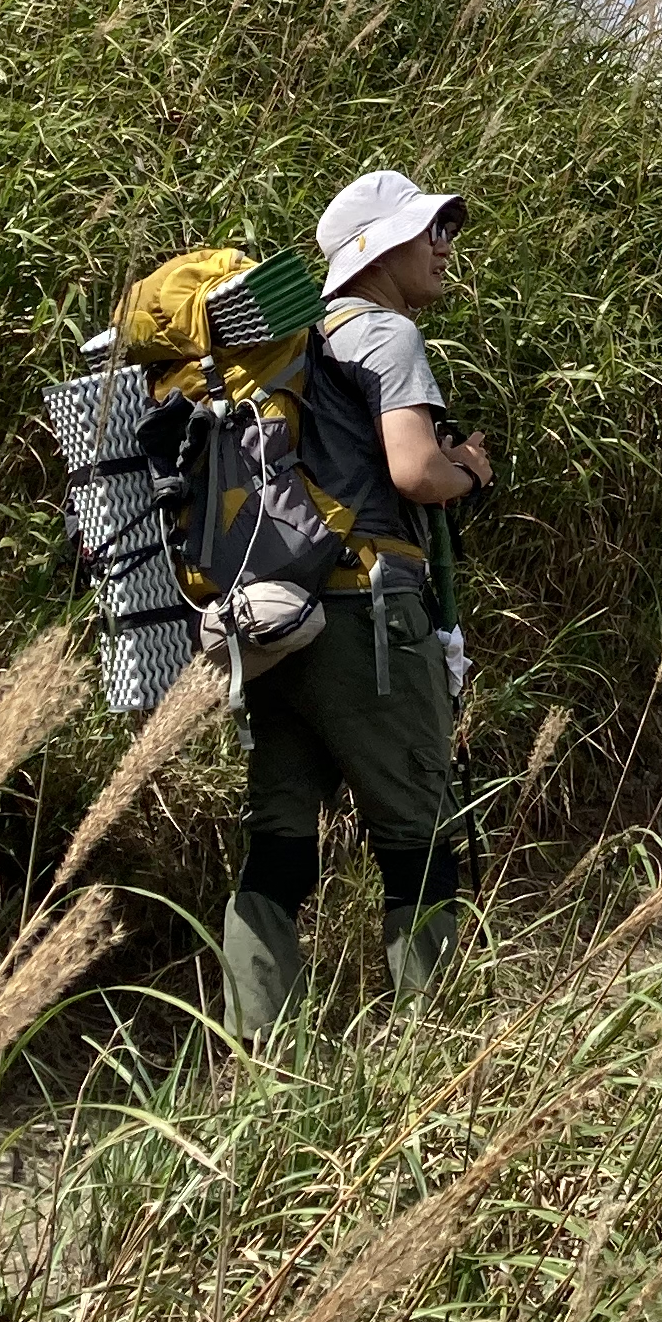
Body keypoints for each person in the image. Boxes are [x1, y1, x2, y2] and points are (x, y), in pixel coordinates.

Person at [216, 166, 495, 1037]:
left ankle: (263, 1057)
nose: (446, 247)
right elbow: (414, 469)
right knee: (418, 843)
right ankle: (433, 1064)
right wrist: (470, 473)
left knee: (280, 847)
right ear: (378, 250)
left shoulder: (298, 345)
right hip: (370, 623)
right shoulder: (387, 336)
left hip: (277, 621)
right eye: (431, 232)